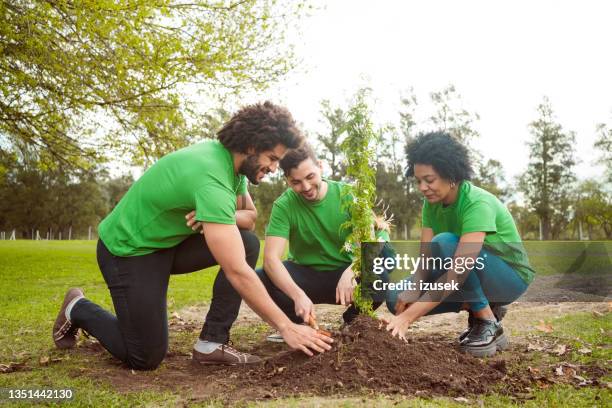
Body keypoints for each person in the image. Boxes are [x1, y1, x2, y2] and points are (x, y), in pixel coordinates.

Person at [52, 102, 333, 370]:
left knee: (246, 242)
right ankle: (78, 308)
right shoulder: (211, 179)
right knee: (144, 355)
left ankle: (212, 342)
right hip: (128, 252)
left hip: (167, 245)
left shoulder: (230, 165)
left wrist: (222, 217)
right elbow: (236, 271)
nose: (274, 168)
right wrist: (286, 327)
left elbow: (249, 218)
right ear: (251, 146)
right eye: (272, 159)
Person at [187, 144, 392, 341]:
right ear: (286, 180)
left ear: (320, 166)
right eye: (296, 182)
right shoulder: (284, 206)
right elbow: (271, 260)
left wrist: (352, 270)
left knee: (381, 266)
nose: (306, 187)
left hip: (345, 278)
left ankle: (353, 321)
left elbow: (377, 237)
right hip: (306, 275)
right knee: (261, 277)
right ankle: (296, 326)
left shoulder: (349, 195)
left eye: (310, 177)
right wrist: (298, 294)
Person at [385, 131, 535, 357]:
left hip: (508, 277)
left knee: (444, 243)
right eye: (418, 181)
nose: (423, 187)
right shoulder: (430, 204)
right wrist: (413, 289)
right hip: (468, 272)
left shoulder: (477, 202)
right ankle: (482, 308)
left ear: (451, 175)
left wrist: (408, 318)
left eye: (429, 180)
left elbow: (458, 271)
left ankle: (486, 320)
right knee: (395, 296)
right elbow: (426, 260)